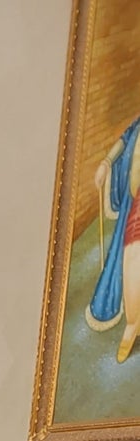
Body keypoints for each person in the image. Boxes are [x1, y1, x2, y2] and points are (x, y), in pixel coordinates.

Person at [88, 117, 140, 363]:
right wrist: (106, 163)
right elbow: (126, 138)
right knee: (130, 262)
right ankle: (132, 324)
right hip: (136, 202)